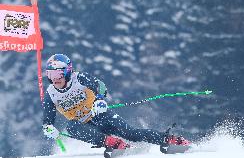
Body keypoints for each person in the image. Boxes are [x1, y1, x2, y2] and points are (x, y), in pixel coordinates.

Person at [42, 54, 190, 152]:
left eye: (58, 74)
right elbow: (47, 120)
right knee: (71, 127)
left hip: (100, 116)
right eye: (50, 74)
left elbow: (100, 85)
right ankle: (111, 143)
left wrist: (100, 100)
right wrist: (49, 129)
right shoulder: (50, 93)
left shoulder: (79, 78)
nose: (54, 79)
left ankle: (169, 139)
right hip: (84, 126)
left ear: (68, 71)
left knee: (131, 133)